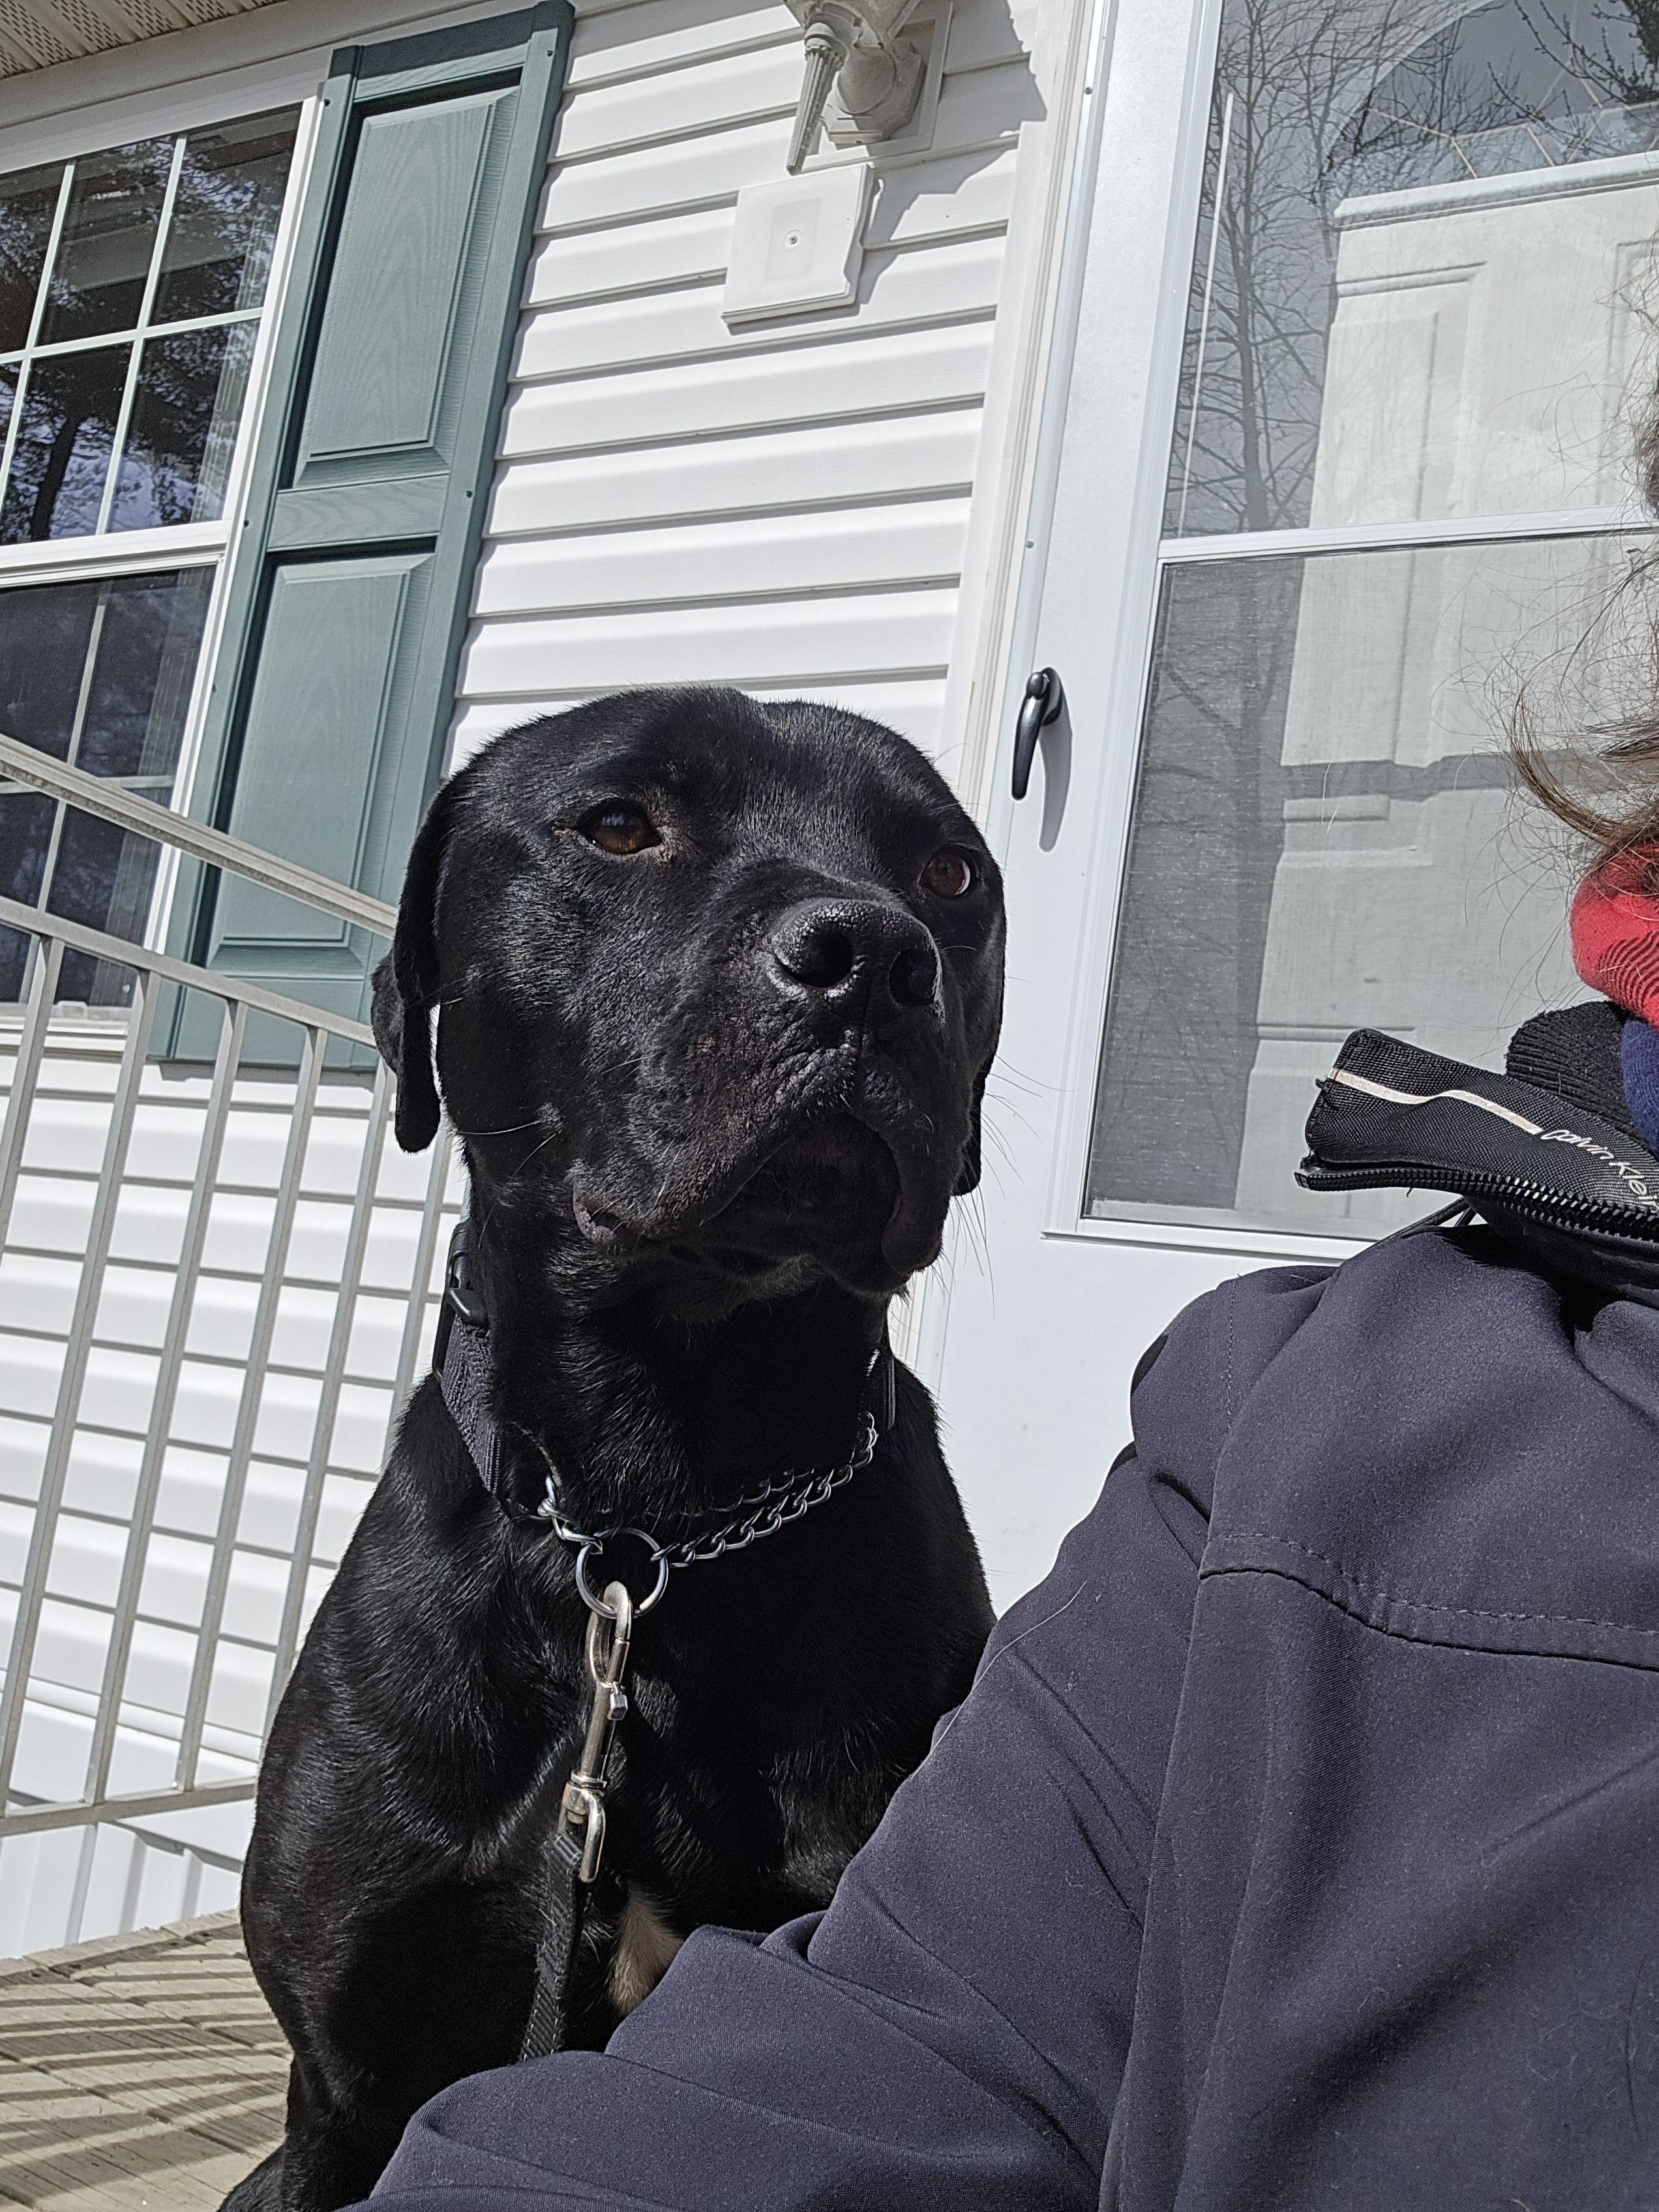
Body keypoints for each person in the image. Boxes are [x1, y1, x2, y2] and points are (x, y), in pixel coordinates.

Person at [348, 727, 1659, 2207]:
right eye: (621, 830)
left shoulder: (1272, 1470)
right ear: (424, 1001)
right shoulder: (1266, 1456)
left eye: (940, 885)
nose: (869, 937)